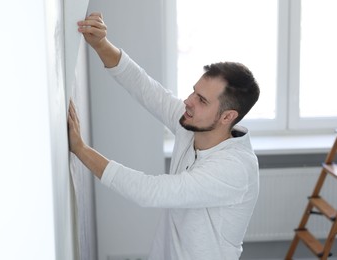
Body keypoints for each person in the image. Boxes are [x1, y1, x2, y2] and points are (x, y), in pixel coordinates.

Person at [68, 12, 260, 260]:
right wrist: (101, 44)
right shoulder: (192, 123)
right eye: (194, 92)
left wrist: (81, 149)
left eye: (201, 100)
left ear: (227, 117)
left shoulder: (234, 169)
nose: (188, 102)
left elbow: (150, 191)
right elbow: (145, 88)